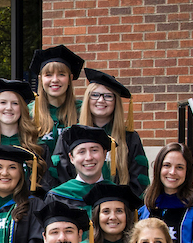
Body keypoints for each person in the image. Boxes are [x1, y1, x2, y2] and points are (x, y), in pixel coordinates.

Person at [53, 68, 149, 197]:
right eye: (95, 95)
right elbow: (60, 174)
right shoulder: (71, 135)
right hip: (75, 206)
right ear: (87, 98)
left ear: (116, 102)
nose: (101, 100)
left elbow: (139, 182)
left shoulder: (129, 138)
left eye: (108, 96)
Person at [45, 124, 112, 216]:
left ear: (104, 154)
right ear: (71, 158)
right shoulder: (57, 197)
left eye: (94, 150)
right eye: (81, 152)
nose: (88, 157)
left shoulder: (117, 194)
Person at [26, 44, 85, 147]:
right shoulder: (30, 112)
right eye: (48, 74)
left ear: (70, 78)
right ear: (40, 78)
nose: (55, 80)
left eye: (61, 74)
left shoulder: (82, 111)